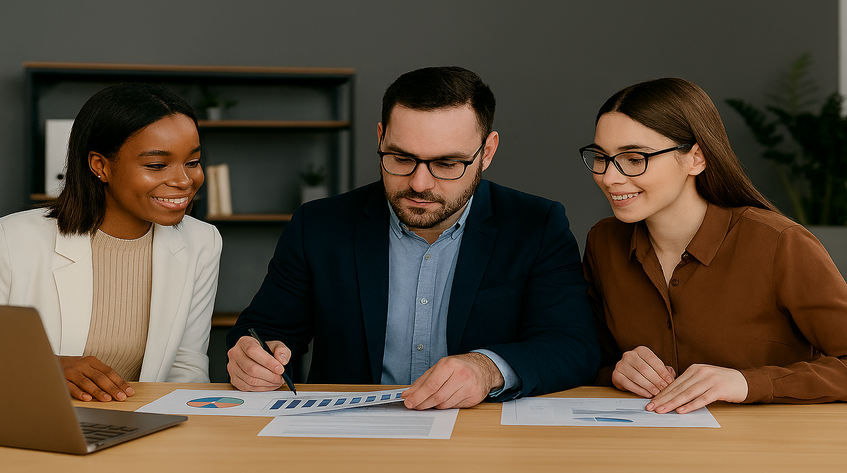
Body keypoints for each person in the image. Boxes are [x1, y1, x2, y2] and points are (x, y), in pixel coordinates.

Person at [226, 66, 599, 409]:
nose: (419, 184)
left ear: (486, 153)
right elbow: (264, 330)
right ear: (380, 137)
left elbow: (572, 345)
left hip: (481, 439)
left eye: (447, 164)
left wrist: (488, 369)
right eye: (401, 158)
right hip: (344, 435)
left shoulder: (536, 224)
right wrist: (253, 354)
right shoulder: (319, 224)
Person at [580, 77, 847, 414]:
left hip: (765, 455)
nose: (609, 177)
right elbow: (587, 357)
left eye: (635, 159)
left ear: (696, 158)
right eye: (601, 157)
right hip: (645, 451)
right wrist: (616, 371)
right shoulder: (604, 243)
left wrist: (749, 382)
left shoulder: (779, 243)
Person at [0, 83, 222, 402]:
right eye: (157, 165)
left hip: (140, 429)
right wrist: (44, 369)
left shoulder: (202, 242)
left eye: (192, 162)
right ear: (100, 166)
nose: (184, 181)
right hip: (36, 425)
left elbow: (187, 366)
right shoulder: (11, 239)